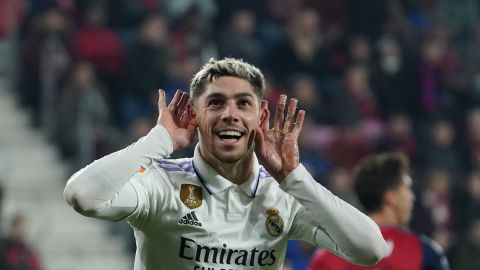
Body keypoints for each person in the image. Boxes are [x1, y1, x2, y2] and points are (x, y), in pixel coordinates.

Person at [63, 57, 386, 270]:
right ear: (196, 115)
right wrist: (160, 140)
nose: (230, 113)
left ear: (260, 117)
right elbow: (82, 195)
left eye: (243, 103)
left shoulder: (283, 195)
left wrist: (293, 177)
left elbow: (370, 249)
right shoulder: (161, 184)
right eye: (215, 103)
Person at [309, 152, 450, 270]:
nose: (411, 197)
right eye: (407, 188)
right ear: (391, 198)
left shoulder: (326, 254)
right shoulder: (423, 252)